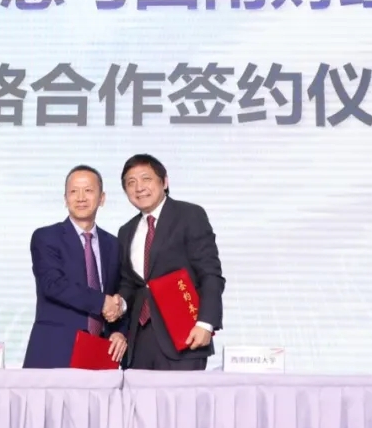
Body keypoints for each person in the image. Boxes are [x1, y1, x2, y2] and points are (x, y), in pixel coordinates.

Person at [116, 154, 224, 370]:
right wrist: (120, 304)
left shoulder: (190, 215)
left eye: (146, 179)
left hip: (184, 335)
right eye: (131, 182)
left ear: (164, 182)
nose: (139, 188)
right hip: (139, 340)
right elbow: (130, 283)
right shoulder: (126, 231)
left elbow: (210, 273)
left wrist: (206, 323)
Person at [23, 165, 127, 369]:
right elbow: (53, 284)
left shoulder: (113, 244)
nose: (80, 198)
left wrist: (119, 331)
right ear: (65, 199)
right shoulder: (46, 237)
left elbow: (119, 293)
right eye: (73, 191)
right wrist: (102, 302)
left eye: (88, 190)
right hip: (54, 352)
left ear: (102, 198)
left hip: (100, 353)